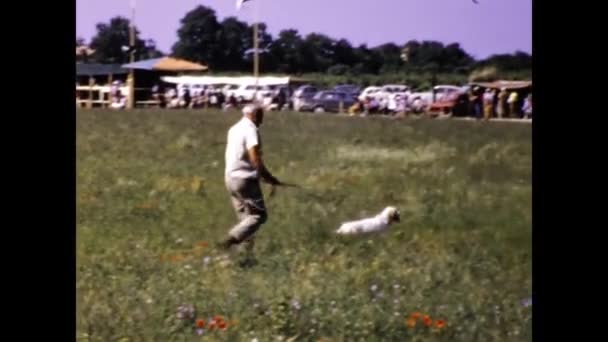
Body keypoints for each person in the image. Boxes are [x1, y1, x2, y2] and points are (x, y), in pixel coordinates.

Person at [219, 105, 282, 251]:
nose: (262, 120)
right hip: (245, 180)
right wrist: (266, 176)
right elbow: (254, 154)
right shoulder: (251, 129)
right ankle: (228, 240)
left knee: (245, 220)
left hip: (230, 178)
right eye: (260, 116)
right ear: (253, 115)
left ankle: (245, 257)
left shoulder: (234, 128)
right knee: (258, 216)